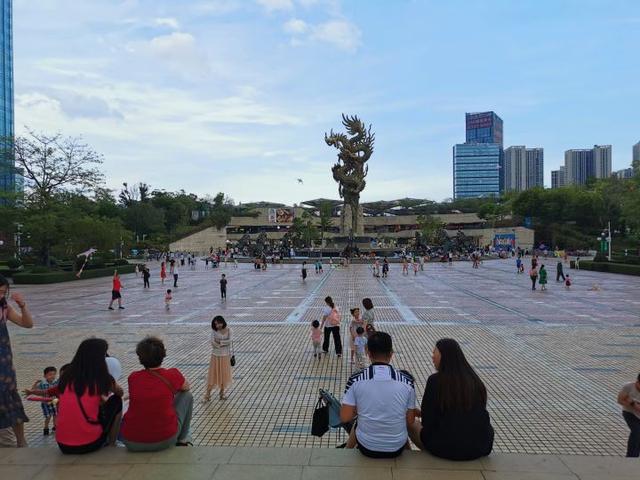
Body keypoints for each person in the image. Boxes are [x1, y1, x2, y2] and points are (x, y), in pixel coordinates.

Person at [408, 338, 494, 460]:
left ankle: (406, 456)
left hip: (446, 448)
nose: (432, 357)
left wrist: (415, 416)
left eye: (435, 353)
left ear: (444, 357)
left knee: (410, 422)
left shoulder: (435, 381)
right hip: (480, 447)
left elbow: (428, 421)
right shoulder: (475, 380)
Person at [340, 331, 416, 458]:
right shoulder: (407, 380)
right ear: (391, 354)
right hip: (396, 448)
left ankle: (347, 450)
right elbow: (410, 420)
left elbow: (345, 417)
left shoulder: (355, 379)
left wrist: (361, 409)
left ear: (368, 353)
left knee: (361, 420)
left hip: (367, 447)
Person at [121, 337, 193, 451]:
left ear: (140, 358)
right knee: (187, 395)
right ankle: (182, 439)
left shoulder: (133, 377)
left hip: (131, 441)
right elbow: (187, 387)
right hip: (165, 439)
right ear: (163, 355)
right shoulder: (172, 374)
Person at [55, 338, 124, 454]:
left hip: (63, 445)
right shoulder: (101, 377)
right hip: (89, 443)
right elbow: (120, 392)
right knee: (117, 401)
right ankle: (112, 444)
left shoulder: (66, 375)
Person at [0, 276, 33, 447]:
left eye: (3, 292)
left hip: (4, 363)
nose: (1, 295)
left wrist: (22, 306)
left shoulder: (4, 307)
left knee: (10, 398)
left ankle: (21, 442)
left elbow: (27, 324)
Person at [204, 316, 232, 401]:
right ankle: (207, 395)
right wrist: (222, 344)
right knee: (212, 375)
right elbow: (212, 342)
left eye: (219, 323)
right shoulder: (214, 331)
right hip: (215, 356)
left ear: (222, 322)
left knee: (224, 375)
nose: (217, 325)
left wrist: (220, 342)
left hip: (225, 356)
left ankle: (222, 393)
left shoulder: (229, 330)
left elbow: (230, 341)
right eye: (215, 324)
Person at [30, 366, 58, 435]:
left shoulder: (56, 382)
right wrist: (35, 384)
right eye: (50, 374)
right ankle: (46, 427)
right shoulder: (42, 383)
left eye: (54, 374)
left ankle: (55, 427)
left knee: (55, 415)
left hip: (54, 402)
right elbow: (33, 390)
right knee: (48, 416)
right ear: (45, 376)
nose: (52, 376)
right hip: (45, 403)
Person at [617, 373, 640, 457]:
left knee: (637, 435)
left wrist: (633, 403)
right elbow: (620, 400)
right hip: (629, 413)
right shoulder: (628, 387)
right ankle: (631, 456)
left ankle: (634, 455)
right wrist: (632, 404)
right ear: (637, 381)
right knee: (637, 432)